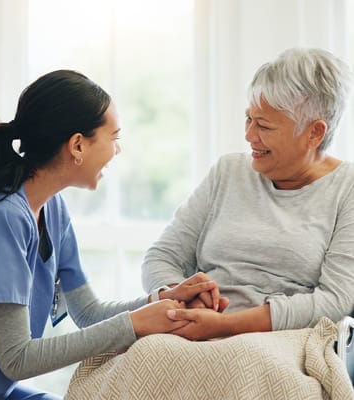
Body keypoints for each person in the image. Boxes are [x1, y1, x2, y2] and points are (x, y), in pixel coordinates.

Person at [0, 70, 219, 400]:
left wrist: (162, 300)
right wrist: (136, 324)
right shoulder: (2, 217)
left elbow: (88, 313)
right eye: (113, 137)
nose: (118, 150)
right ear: (77, 145)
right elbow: (17, 359)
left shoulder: (53, 209)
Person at [141, 47, 354, 341]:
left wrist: (226, 325)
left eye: (264, 126)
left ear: (314, 133)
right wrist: (180, 295)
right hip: (192, 331)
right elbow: (162, 256)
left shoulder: (348, 189)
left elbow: (335, 299)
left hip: (283, 343)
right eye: (248, 119)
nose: (249, 136)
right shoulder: (228, 172)